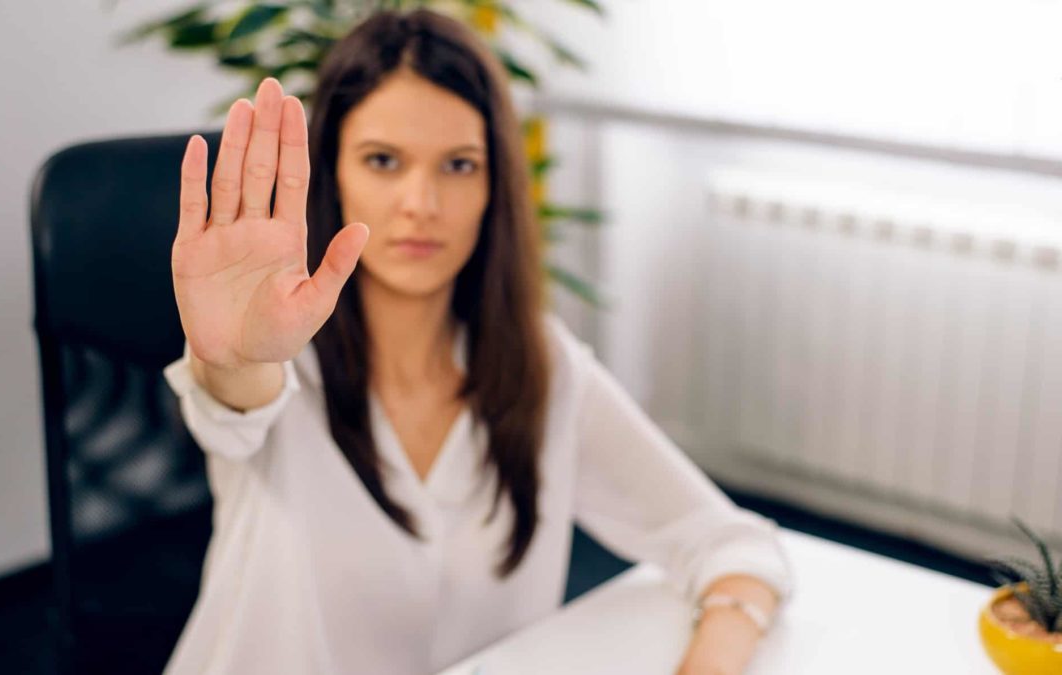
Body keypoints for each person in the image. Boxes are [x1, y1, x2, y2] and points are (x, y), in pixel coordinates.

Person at [162, 8, 793, 675]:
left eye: (459, 165)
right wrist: (230, 357)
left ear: (496, 186)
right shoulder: (278, 364)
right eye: (383, 160)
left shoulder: (539, 366)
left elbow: (729, 542)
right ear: (333, 174)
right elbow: (234, 405)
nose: (421, 201)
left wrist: (711, 663)